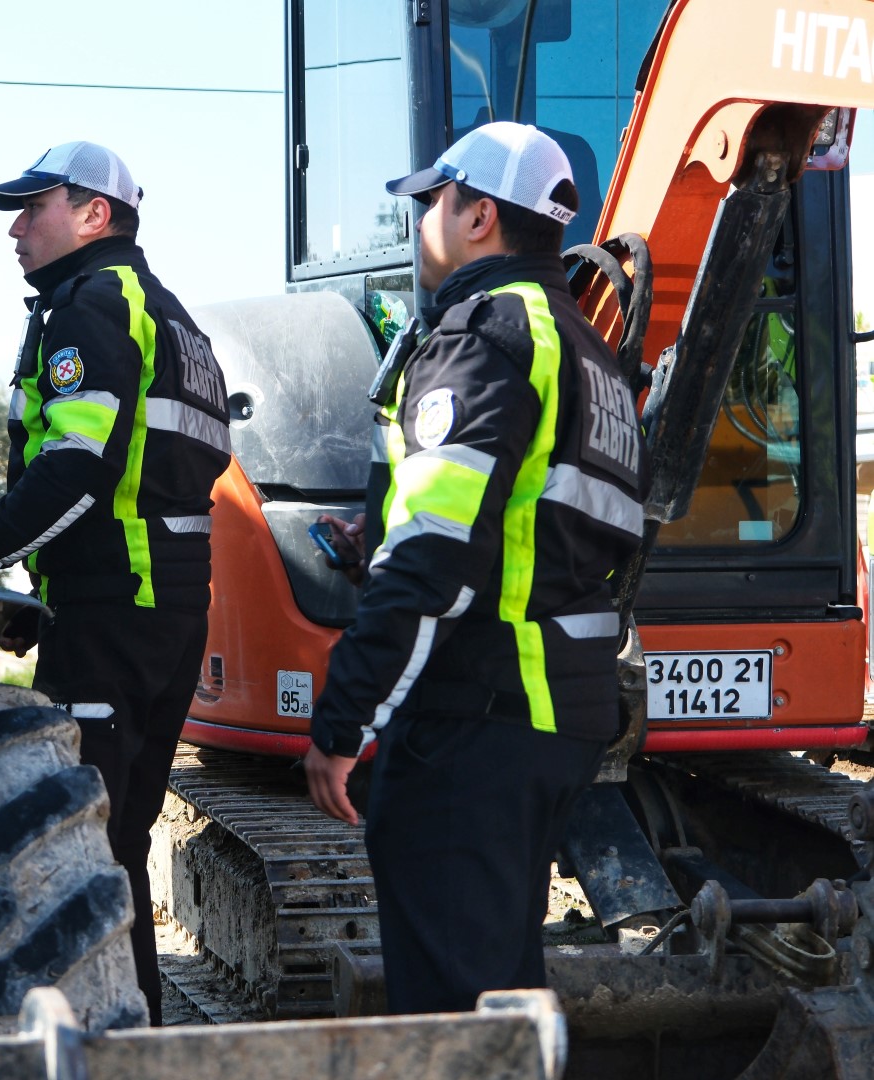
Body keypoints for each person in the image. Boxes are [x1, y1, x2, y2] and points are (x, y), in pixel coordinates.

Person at [302, 122, 646, 1014]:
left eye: (432, 203)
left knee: (453, 1013)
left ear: (479, 215)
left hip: (478, 725)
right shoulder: (589, 351)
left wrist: (343, 725)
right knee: (501, 993)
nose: (422, 223)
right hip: (556, 718)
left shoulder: (482, 336)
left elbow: (431, 561)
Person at [0, 141, 231, 1025]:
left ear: (94, 213)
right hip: (162, 610)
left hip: (114, 613)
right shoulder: (168, 313)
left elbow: (77, 472)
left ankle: (96, 1041)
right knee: (118, 842)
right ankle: (137, 1031)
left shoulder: (90, 306)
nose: (17, 230)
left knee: (81, 847)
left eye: (34, 209)